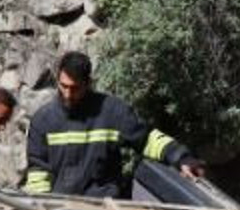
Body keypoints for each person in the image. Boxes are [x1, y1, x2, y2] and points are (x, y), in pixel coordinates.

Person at [24, 51, 204, 198]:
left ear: (88, 83)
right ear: (57, 81)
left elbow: (146, 139)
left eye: (75, 88)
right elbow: (38, 171)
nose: (68, 94)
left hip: (106, 209)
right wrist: (41, 206)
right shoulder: (43, 120)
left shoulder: (113, 111)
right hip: (63, 209)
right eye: (63, 86)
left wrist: (181, 158)